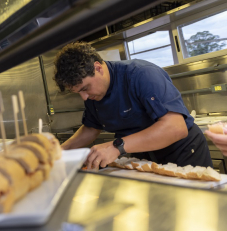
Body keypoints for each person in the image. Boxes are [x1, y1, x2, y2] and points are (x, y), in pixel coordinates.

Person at [54, 43, 213, 170]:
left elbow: (176, 127)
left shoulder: (141, 74)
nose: (84, 97)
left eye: (85, 89)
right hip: (145, 157)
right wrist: (57, 153)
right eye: (78, 93)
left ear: (98, 68)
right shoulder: (92, 94)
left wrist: (116, 146)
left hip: (182, 153)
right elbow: (90, 128)